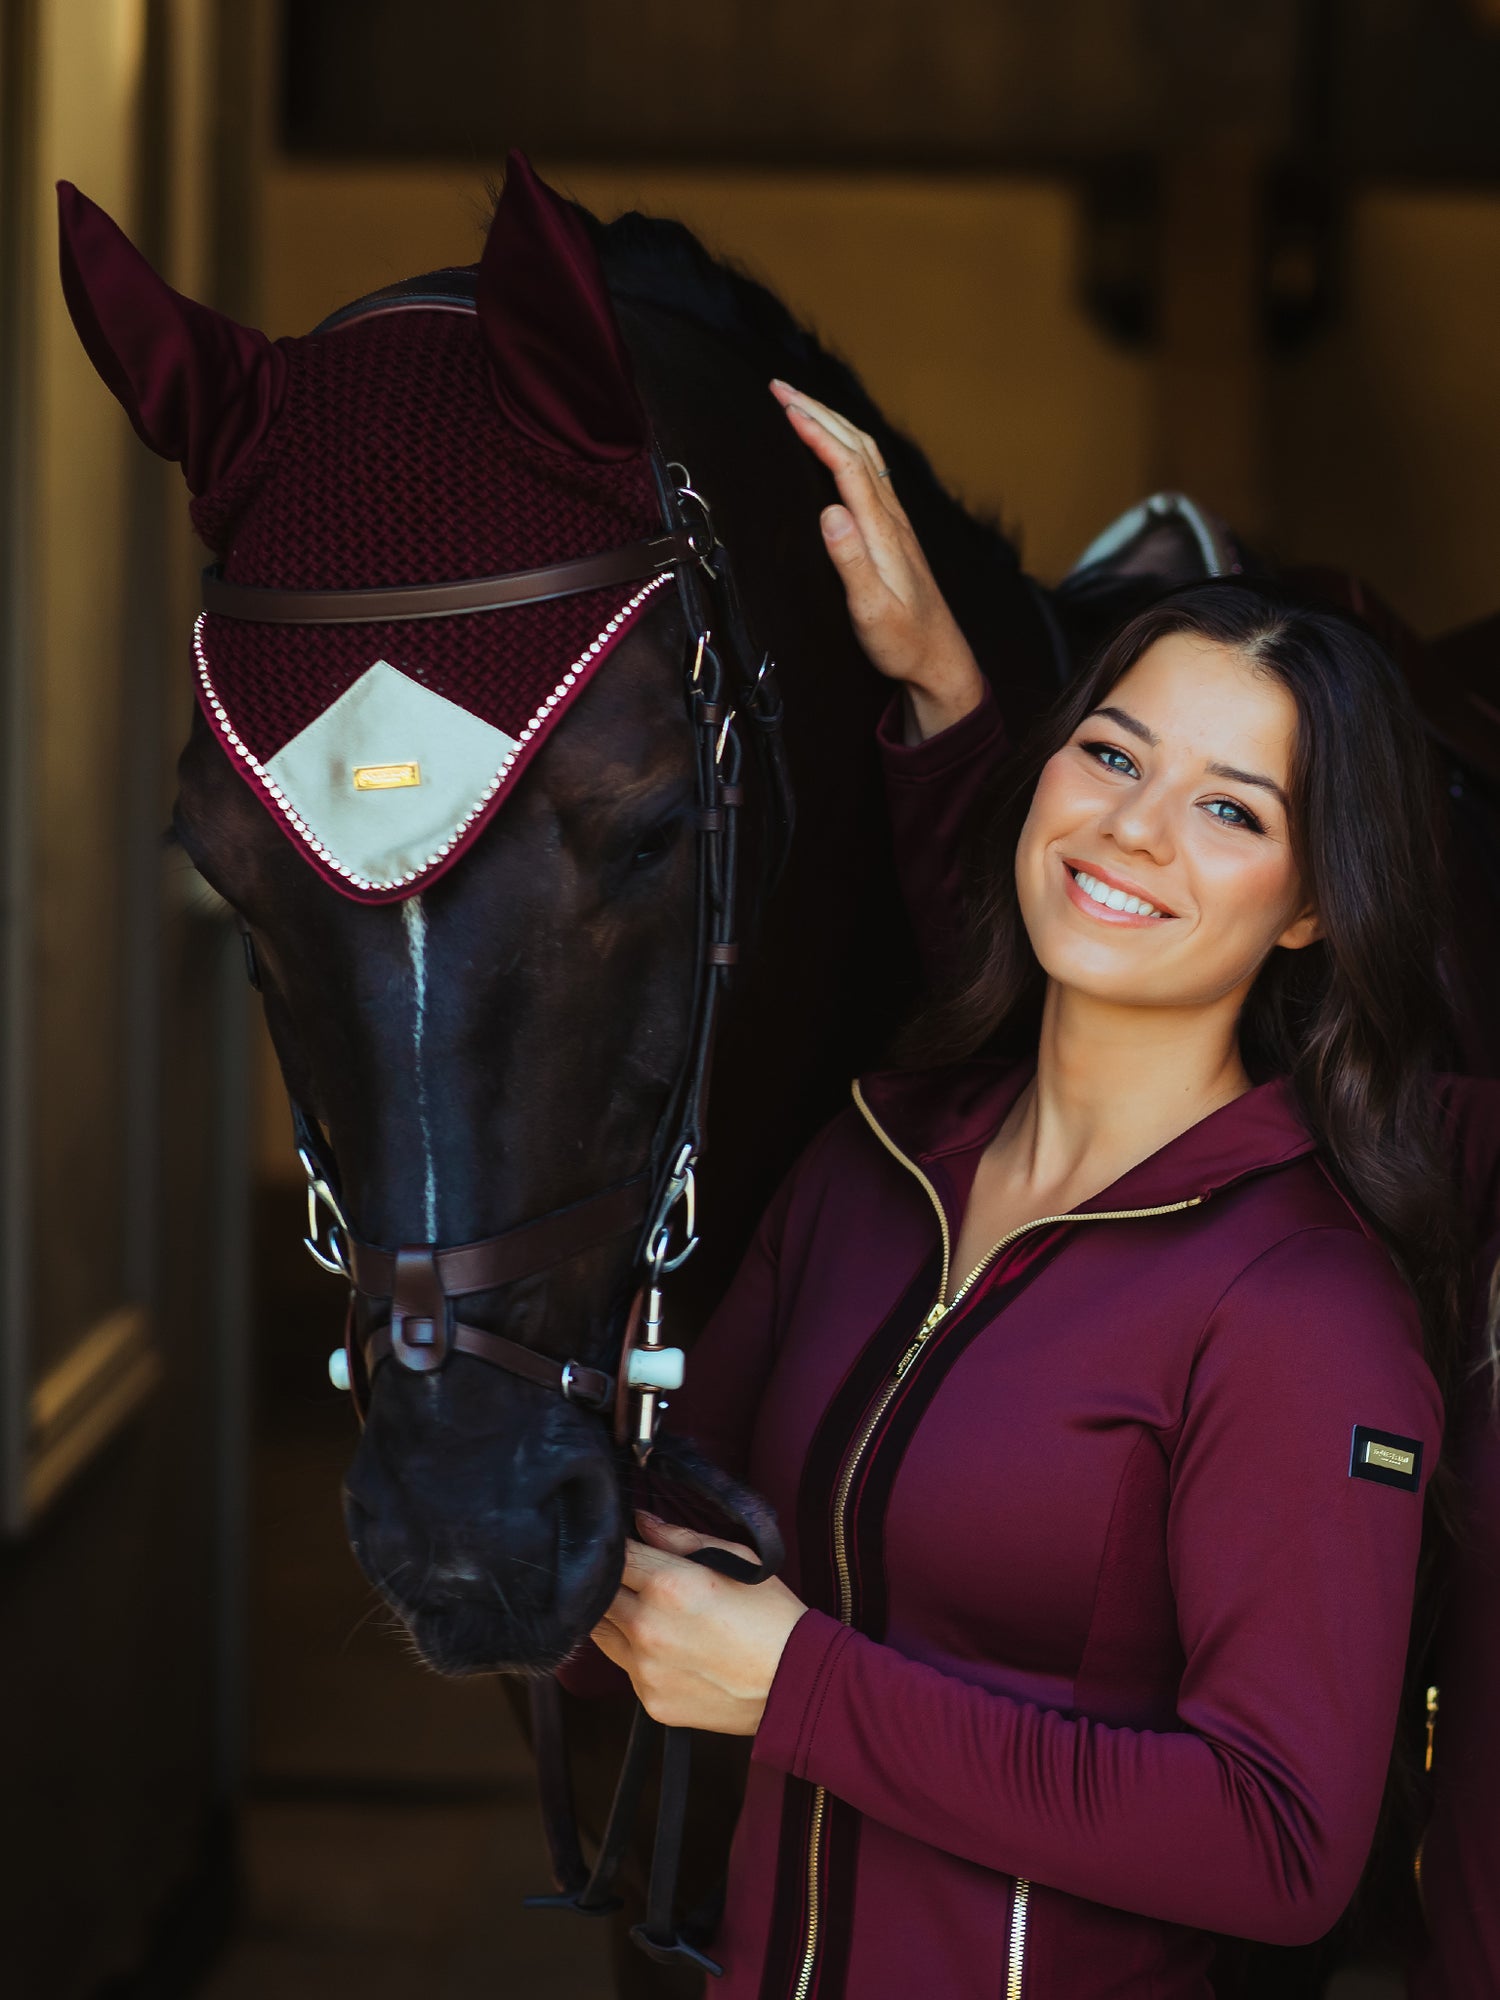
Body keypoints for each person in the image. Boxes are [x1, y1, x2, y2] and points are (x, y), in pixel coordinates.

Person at [588, 384, 1465, 1999]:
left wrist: (798, 1687)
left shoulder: (1302, 1308)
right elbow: (672, 1503)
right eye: (1113, 752)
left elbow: (1284, 1844)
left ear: (1312, 909)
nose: (1133, 828)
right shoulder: (877, 1158)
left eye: (1230, 809)